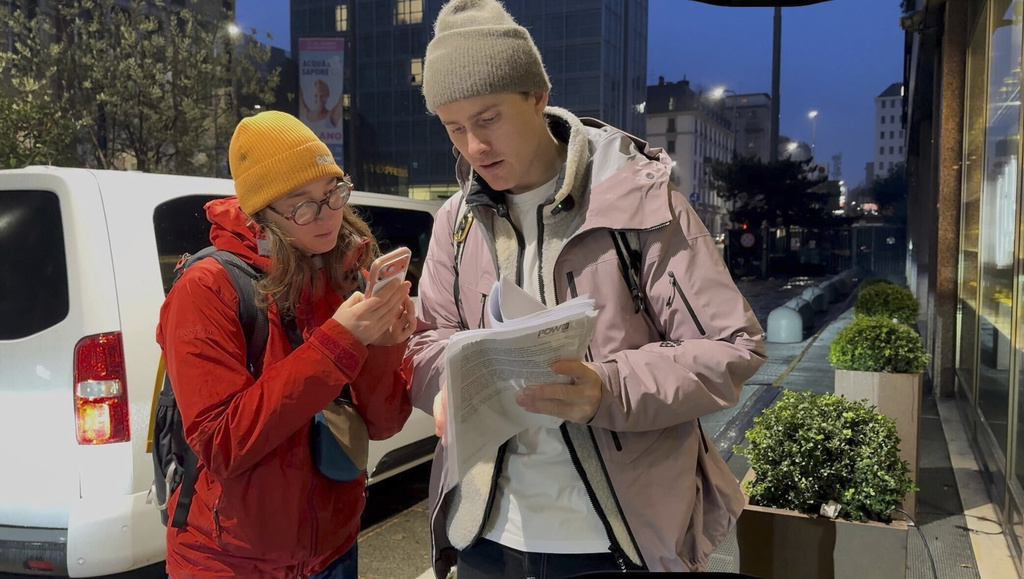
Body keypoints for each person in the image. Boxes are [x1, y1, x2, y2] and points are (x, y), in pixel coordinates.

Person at [406, 1, 767, 577]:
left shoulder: (640, 199)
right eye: (454, 128)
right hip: (486, 535)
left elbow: (732, 346)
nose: (473, 146)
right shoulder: (456, 221)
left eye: (488, 118)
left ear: (536, 96)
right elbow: (427, 340)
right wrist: (443, 390)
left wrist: (607, 389)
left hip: (613, 541)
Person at [156, 111, 415, 578]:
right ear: (262, 214)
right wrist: (340, 342)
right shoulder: (207, 287)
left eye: (333, 194)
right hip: (229, 563)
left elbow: (384, 423)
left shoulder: (342, 272)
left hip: (334, 550)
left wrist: (386, 344)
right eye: (301, 205)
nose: (327, 215)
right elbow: (220, 444)